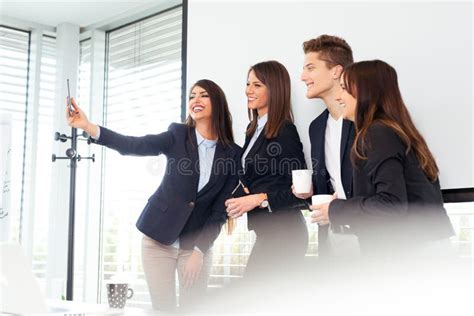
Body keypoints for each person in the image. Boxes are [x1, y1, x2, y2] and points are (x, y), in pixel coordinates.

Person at [66, 79, 241, 311]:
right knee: (162, 310)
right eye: (192, 96)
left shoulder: (232, 154)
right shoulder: (178, 135)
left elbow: (220, 210)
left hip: (197, 246)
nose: (195, 100)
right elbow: (134, 145)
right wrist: (89, 127)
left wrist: (199, 252)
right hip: (158, 241)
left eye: (203, 95)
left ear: (217, 102)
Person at [310, 60, 454, 256]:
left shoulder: (377, 133)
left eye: (344, 89)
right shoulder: (393, 130)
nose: (338, 96)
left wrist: (336, 209)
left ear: (364, 92)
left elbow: (391, 204)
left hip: (411, 253)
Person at [224, 60, 308, 279]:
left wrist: (259, 199)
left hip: (286, 233)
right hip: (268, 232)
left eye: (257, 85)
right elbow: (256, 179)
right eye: (247, 84)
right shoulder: (253, 129)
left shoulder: (284, 130)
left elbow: (302, 192)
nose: (248, 90)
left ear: (275, 88)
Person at [293, 34, 358, 257]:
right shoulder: (317, 127)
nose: (303, 77)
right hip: (333, 237)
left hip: (372, 237)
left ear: (336, 71)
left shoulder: (364, 120)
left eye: (310, 68)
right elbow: (330, 188)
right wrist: (312, 191)